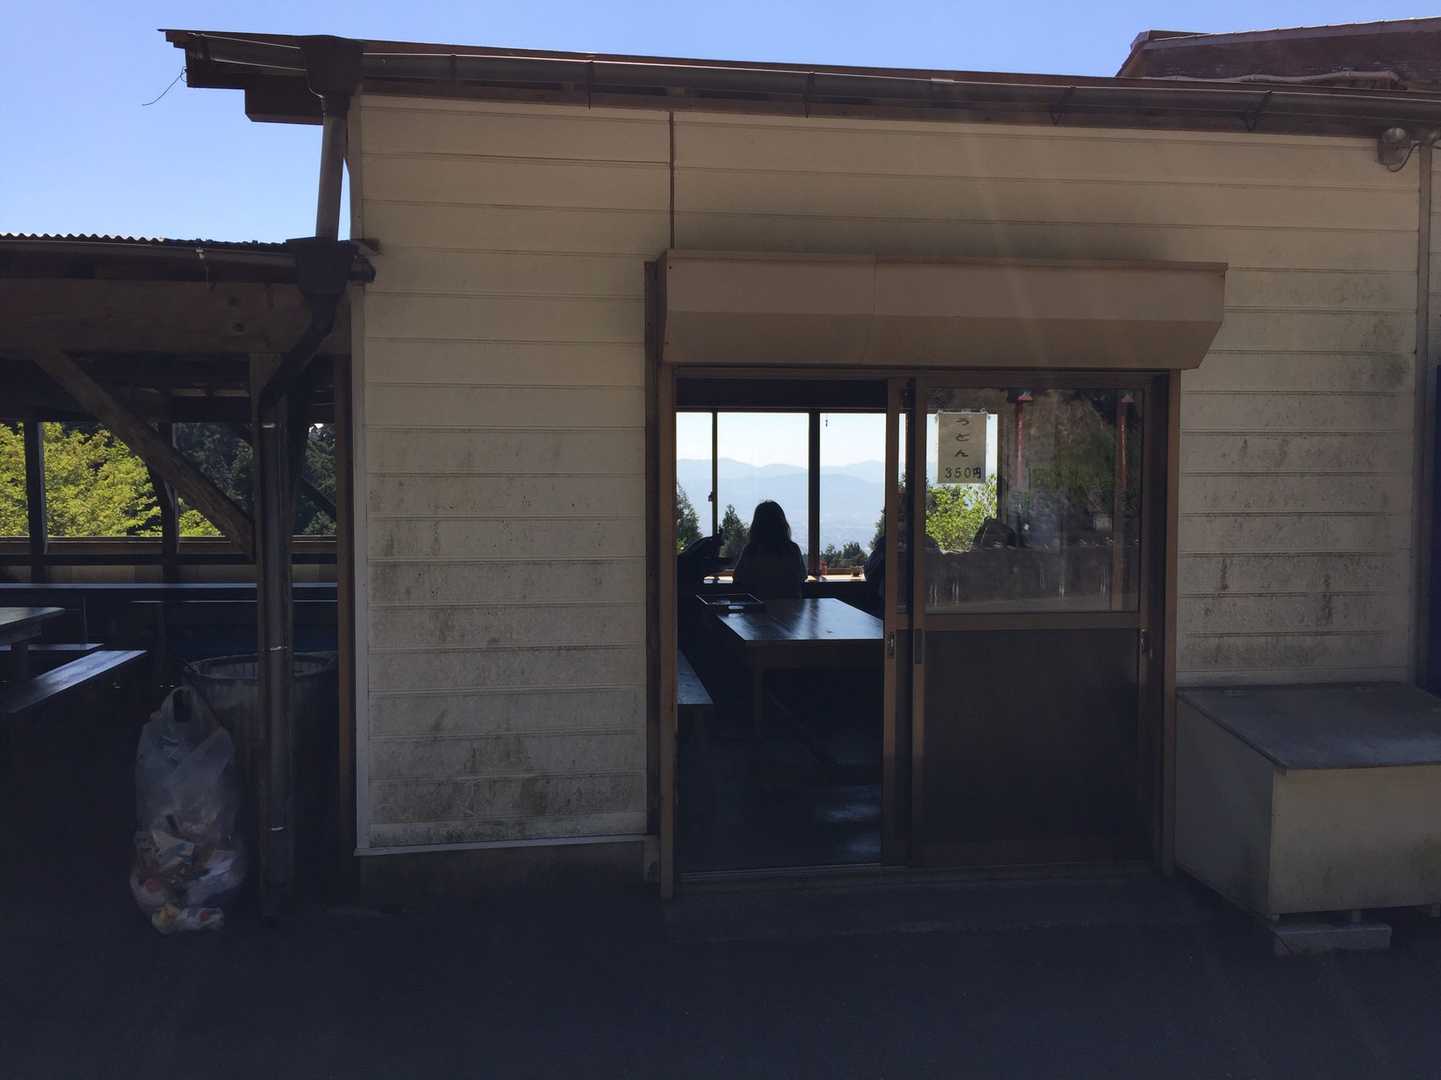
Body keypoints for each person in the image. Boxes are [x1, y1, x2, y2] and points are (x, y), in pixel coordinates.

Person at [732, 500, 806, 599]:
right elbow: (802, 576)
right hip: (791, 606)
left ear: (757, 525)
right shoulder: (792, 549)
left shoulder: (751, 551)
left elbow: (738, 578)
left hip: (759, 605)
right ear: (782, 524)